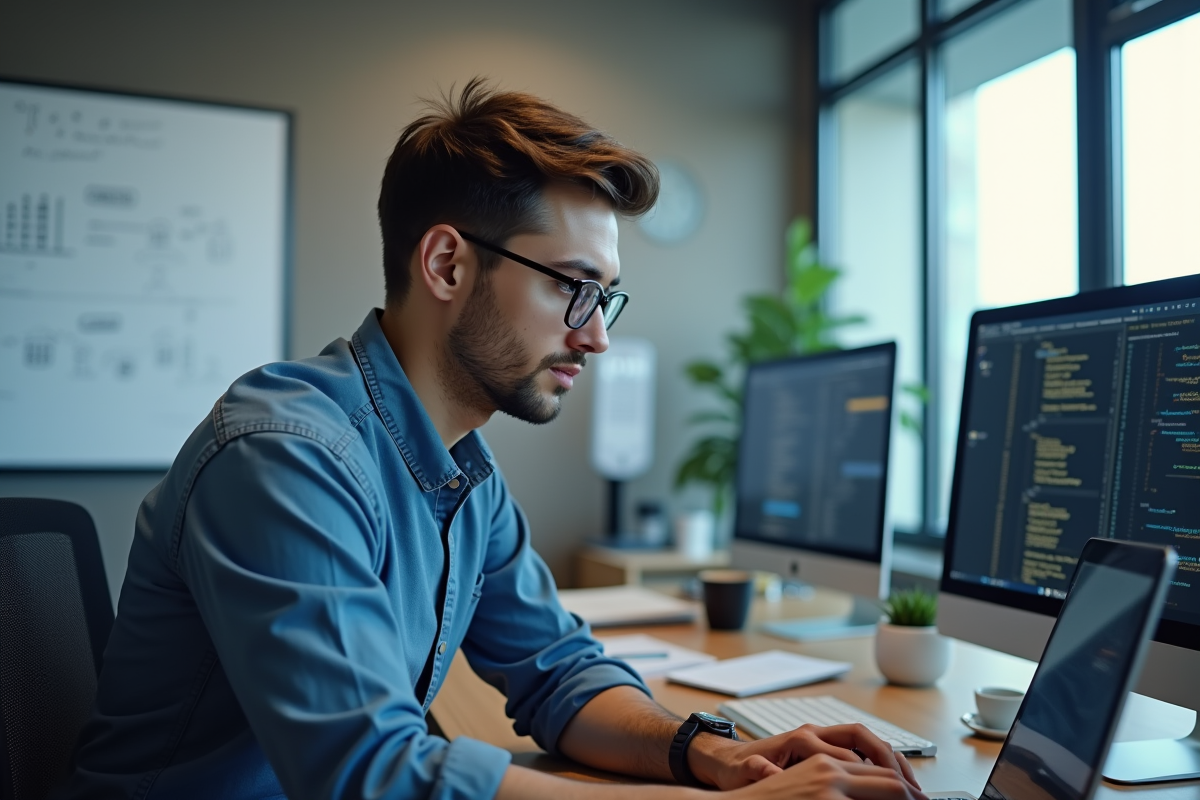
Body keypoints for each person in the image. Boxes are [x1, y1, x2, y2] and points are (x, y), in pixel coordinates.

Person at [57, 79, 927, 800]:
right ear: (446, 265)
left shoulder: (462, 473)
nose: (597, 337)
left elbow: (558, 674)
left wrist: (712, 753)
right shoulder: (285, 457)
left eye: (607, 297)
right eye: (573, 288)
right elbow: (370, 773)